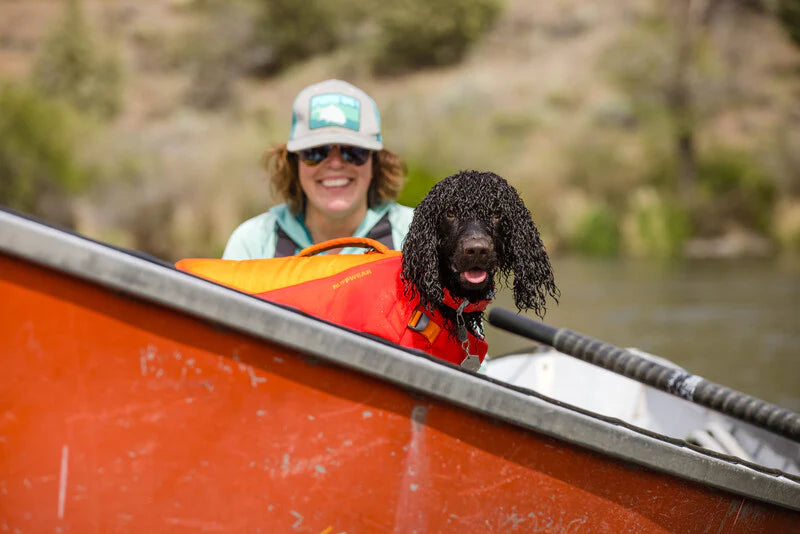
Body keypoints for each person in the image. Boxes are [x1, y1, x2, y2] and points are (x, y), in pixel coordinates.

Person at [223, 79, 414, 259]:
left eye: (353, 151)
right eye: (316, 152)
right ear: (294, 162)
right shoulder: (254, 243)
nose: (335, 163)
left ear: (376, 161)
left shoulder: (414, 233)